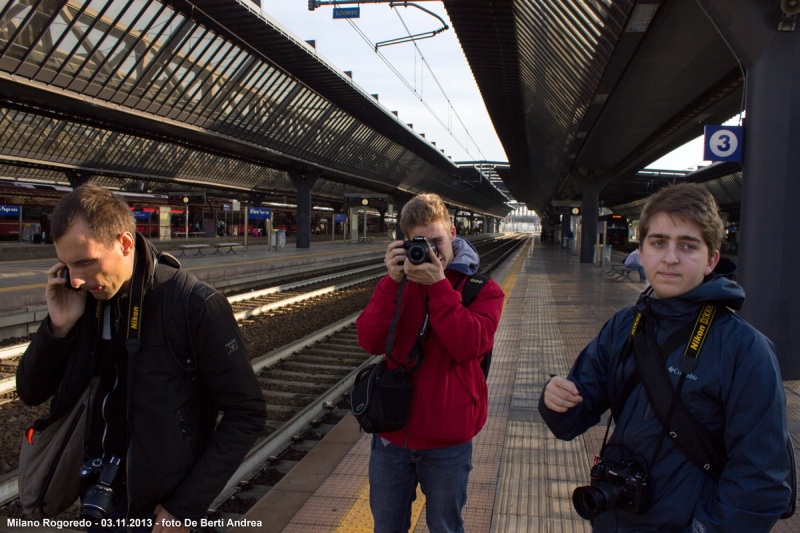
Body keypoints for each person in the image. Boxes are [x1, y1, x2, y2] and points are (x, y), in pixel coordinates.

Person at [540, 184, 792, 532]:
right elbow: (572, 420)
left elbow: (761, 481)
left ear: (711, 260)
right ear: (641, 252)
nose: (670, 257)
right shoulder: (624, 326)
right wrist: (554, 399)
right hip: (615, 518)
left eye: (688, 246)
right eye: (659, 242)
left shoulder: (746, 350)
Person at [17, 184, 267, 532]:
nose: (76, 278)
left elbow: (248, 411)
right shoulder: (80, 301)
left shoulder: (191, 304)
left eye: (86, 262)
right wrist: (57, 328)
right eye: (68, 265)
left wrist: (186, 506)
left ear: (125, 243)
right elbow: (31, 391)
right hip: (96, 499)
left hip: (161, 514)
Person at [357, 193, 504, 533]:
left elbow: (469, 345)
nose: (432, 251)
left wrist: (439, 287)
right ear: (405, 244)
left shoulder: (482, 290)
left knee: (445, 527)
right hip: (392, 437)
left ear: (453, 233)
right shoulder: (398, 285)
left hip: (448, 443)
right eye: (420, 243)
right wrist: (390, 283)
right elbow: (369, 340)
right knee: (387, 527)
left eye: (437, 240)